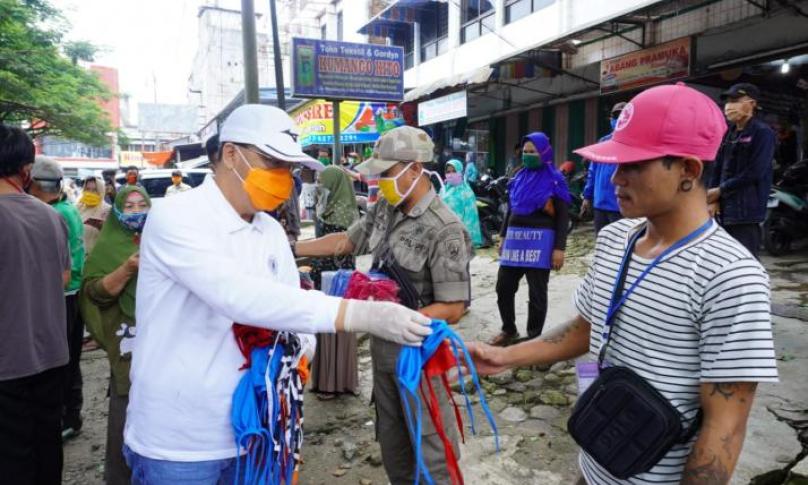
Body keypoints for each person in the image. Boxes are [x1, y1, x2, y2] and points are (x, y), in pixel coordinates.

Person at [468, 83, 779, 484]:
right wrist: (507, 358)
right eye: (615, 162)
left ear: (688, 169)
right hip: (594, 464)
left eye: (634, 164)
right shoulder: (617, 239)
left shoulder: (730, 276)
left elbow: (726, 425)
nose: (616, 177)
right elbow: (586, 328)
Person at [123, 105, 431, 483]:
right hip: (183, 440)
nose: (284, 178)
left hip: (261, 432)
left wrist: (299, 356)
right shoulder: (176, 217)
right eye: (273, 162)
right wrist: (362, 314)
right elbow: (237, 296)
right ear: (232, 154)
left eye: (289, 168)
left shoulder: (269, 231)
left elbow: (291, 305)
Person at [295, 126, 472, 484]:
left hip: (418, 355)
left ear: (415, 170)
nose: (381, 183)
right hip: (383, 347)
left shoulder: (445, 228)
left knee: (431, 447)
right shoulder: (385, 209)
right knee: (393, 443)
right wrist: (289, 248)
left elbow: (454, 306)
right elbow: (346, 241)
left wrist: (393, 320)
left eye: (387, 174)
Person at [0, 125, 71, 483]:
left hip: (7, 363)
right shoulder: (52, 216)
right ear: (26, 170)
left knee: (12, 459)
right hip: (51, 355)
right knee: (47, 447)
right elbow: (62, 279)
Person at [80, 185, 151, 485]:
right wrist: (127, 269)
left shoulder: (165, 240)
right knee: (126, 418)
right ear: (118, 210)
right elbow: (94, 293)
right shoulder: (108, 247)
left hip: (166, 343)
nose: (136, 212)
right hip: (128, 348)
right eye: (129, 206)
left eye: (141, 205)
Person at [488, 132, 570, 346]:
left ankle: (534, 337)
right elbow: (510, 211)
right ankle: (509, 329)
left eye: (532, 152)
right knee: (503, 287)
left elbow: (562, 217)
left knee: (537, 293)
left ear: (544, 153)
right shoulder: (518, 177)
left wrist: (559, 248)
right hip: (515, 240)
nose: (527, 155)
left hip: (541, 243)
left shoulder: (555, 179)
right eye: (525, 152)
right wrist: (503, 236)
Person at [29, 156, 87, 440]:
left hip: (63, 295)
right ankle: (72, 415)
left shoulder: (54, 214)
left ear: (36, 186)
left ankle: (64, 417)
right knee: (71, 358)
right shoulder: (67, 209)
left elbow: (58, 269)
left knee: (59, 361)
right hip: (74, 294)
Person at [708, 82, 775, 258]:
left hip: (747, 209)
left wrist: (721, 190)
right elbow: (718, 165)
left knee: (746, 258)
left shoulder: (763, 133)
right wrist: (712, 198)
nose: (729, 106)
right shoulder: (729, 133)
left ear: (752, 104)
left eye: (736, 100)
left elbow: (755, 171)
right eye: (728, 101)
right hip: (724, 209)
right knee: (725, 259)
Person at [309, 166, 359, 398]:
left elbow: (339, 252)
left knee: (337, 327)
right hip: (324, 279)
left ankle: (335, 384)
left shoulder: (343, 215)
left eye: (323, 182)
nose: (320, 186)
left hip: (338, 281)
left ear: (335, 184)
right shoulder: (326, 208)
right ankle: (326, 380)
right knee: (325, 328)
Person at [581, 102, 626, 234]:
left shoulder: (632, 144)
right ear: (611, 119)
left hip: (620, 205)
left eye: (622, 115)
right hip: (600, 204)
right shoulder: (603, 142)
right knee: (601, 243)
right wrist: (587, 197)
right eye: (615, 116)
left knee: (620, 245)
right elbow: (592, 172)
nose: (618, 119)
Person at [440, 158, 483, 247]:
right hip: (443, 236)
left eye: (454, 171)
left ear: (460, 172)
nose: (450, 174)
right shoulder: (443, 190)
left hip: (460, 240)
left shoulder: (466, 193)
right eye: (448, 172)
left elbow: (471, 219)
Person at [77, 175, 112, 254]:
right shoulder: (78, 207)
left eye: (94, 190)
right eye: (88, 189)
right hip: (77, 256)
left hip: (95, 257)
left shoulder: (107, 210)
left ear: (101, 191)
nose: (90, 193)